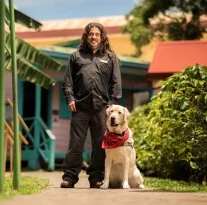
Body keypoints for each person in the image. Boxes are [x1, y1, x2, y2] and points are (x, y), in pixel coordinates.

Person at [60, 22, 122, 188]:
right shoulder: (76, 56)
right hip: (79, 107)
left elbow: (116, 83)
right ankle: (70, 177)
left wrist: (112, 104)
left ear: (102, 37)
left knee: (100, 145)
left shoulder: (111, 58)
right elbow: (67, 82)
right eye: (91, 34)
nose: (94, 37)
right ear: (86, 36)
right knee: (75, 144)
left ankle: (96, 177)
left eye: (97, 34)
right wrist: (70, 98)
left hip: (102, 109)